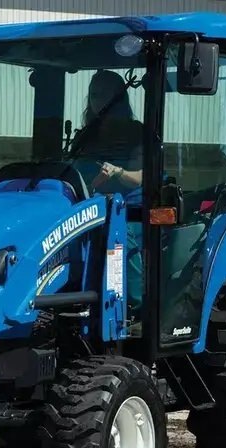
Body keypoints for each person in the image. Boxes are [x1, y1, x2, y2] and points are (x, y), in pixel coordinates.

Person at [70, 69, 145, 315]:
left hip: (133, 210)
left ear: (119, 98)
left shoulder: (137, 133)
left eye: (105, 94)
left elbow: (139, 178)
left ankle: (135, 306)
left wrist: (117, 172)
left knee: (119, 233)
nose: (98, 99)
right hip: (92, 207)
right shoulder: (85, 136)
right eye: (94, 94)